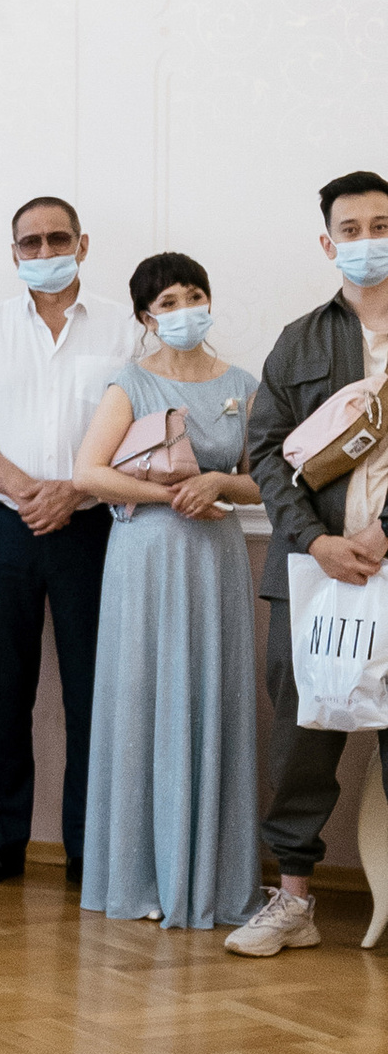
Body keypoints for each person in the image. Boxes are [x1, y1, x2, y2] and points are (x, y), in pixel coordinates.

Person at [0, 194, 130, 891]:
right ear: (13, 252)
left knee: (89, 693)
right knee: (6, 688)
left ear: (82, 242)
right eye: (30, 243)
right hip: (4, 528)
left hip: (94, 525)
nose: (44, 253)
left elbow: (144, 432)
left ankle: (87, 848)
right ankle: (4, 843)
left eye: (57, 239)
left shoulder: (123, 329)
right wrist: (28, 491)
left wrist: (73, 492)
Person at [70, 255, 263, 930]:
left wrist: (217, 485)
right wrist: (172, 494)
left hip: (216, 559)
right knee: (144, 700)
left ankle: (210, 877)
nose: (185, 309)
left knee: (213, 699)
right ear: (147, 317)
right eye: (168, 301)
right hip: (145, 556)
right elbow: (89, 473)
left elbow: (264, 479)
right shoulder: (130, 383)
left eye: (195, 295)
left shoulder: (244, 383)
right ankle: (141, 876)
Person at [229, 166, 388, 956]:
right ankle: (293, 900)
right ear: (328, 243)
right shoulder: (299, 339)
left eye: (381, 226)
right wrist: (317, 540)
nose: (367, 243)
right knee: (301, 733)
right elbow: (263, 451)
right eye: (351, 230)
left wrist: (385, 530)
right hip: (313, 575)